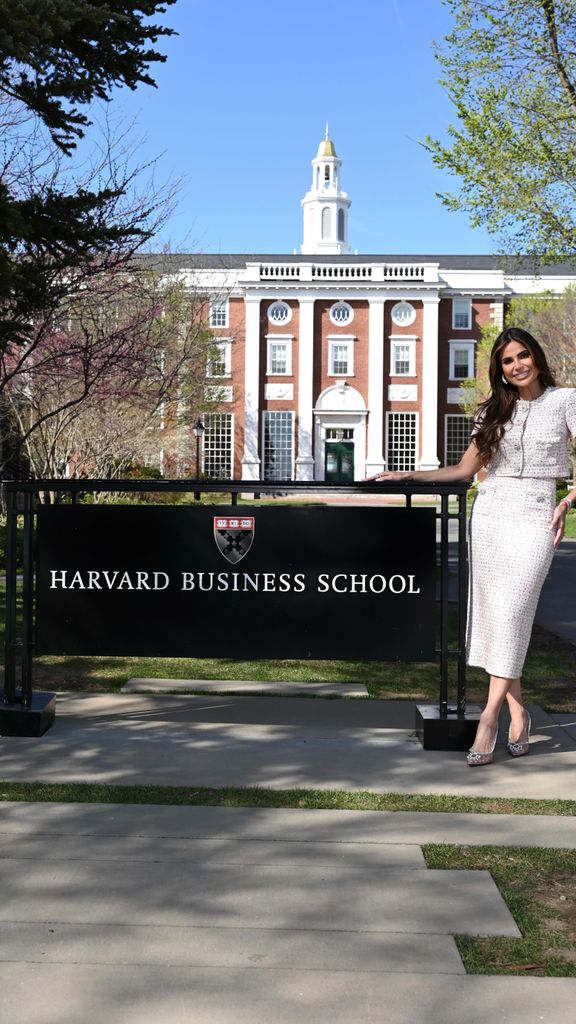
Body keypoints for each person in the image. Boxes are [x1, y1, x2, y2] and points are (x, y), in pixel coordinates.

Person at [371, 326, 576, 765]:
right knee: (499, 618)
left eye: (523, 355)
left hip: (537, 513)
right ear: (499, 369)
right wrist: (408, 476)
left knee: (513, 611)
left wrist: (569, 499)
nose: (517, 365)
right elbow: (465, 469)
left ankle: (489, 717)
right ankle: (519, 714)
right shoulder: (492, 411)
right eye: (507, 360)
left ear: (536, 357)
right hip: (490, 516)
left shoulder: (565, 400)